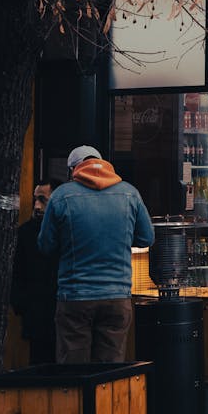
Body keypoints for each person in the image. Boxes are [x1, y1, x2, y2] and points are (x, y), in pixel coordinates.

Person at [39, 146, 154, 363]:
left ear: (73, 170)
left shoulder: (61, 196)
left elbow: (46, 245)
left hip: (75, 297)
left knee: (73, 372)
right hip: (117, 296)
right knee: (109, 376)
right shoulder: (130, 193)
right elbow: (146, 238)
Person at [11, 177, 61, 364]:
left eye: (42, 200)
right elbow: (17, 271)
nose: (37, 206)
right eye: (35, 200)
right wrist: (22, 304)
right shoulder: (25, 233)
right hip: (37, 311)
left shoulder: (60, 231)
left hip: (50, 310)